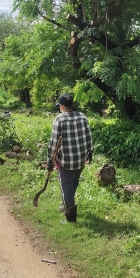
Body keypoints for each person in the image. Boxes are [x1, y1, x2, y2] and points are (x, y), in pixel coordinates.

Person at [46, 93, 93, 223]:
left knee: (66, 187)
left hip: (65, 161)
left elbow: (53, 142)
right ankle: (66, 206)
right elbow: (89, 136)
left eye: (59, 106)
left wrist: (49, 160)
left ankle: (71, 219)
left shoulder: (59, 119)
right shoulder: (82, 117)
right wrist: (90, 152)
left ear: (62, 106)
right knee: (73, 184)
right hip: (80, 159)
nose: (59, 108)